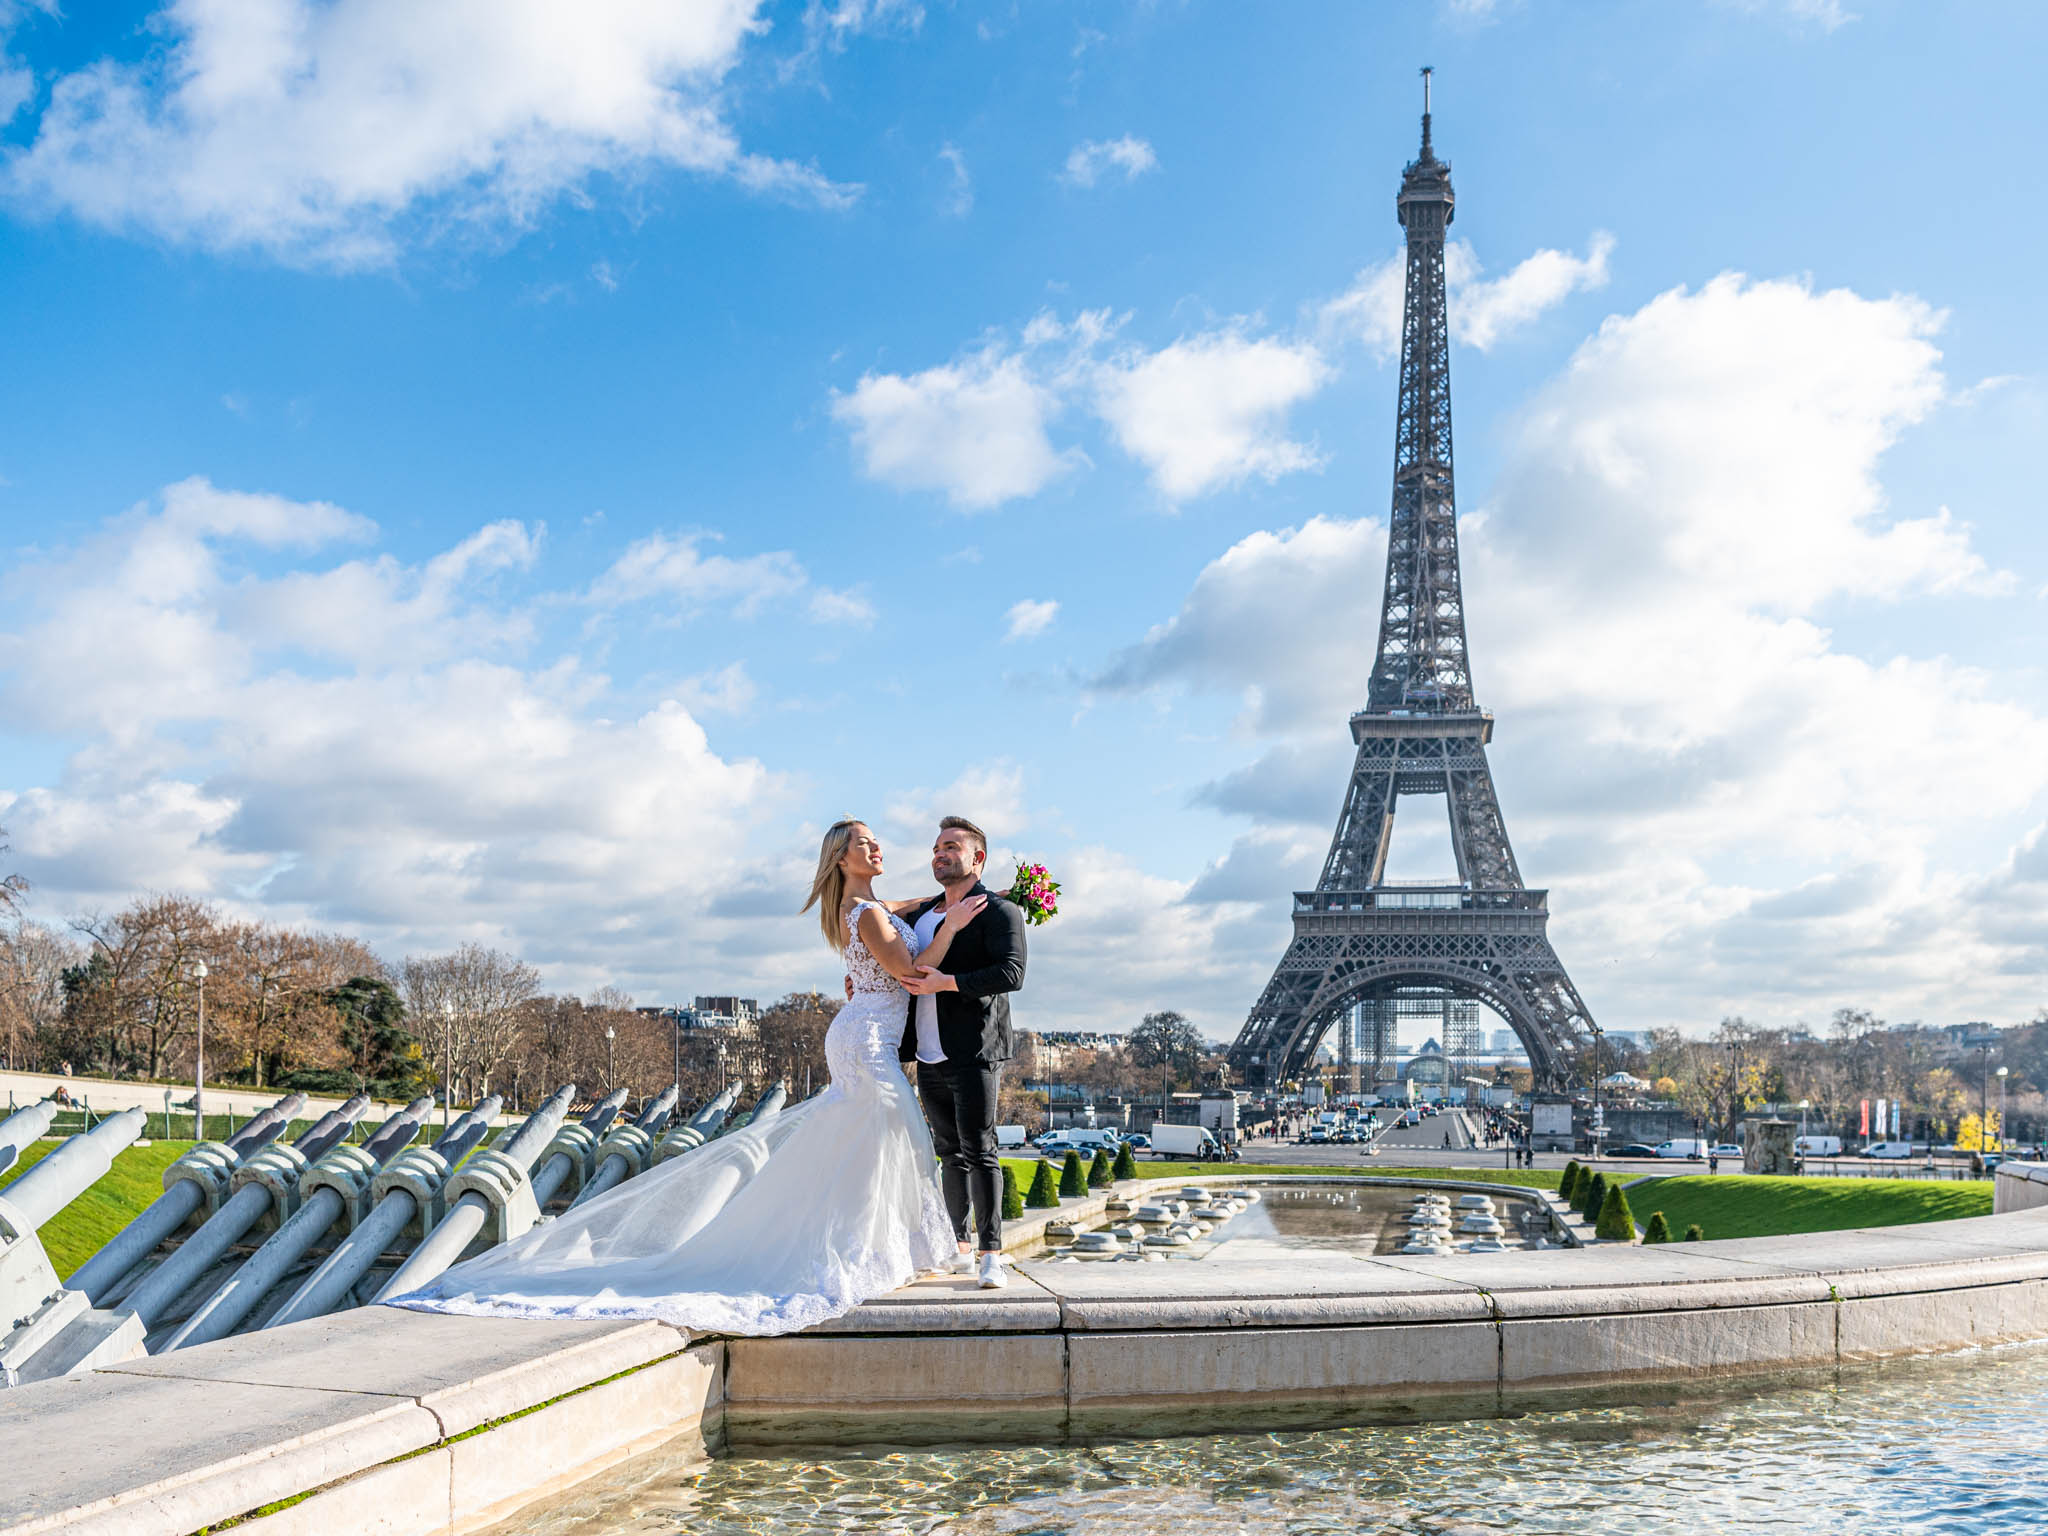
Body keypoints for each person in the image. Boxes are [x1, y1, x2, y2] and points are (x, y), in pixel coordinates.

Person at [384, 818, 978, 1335]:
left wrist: (946, 903)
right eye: (865, 843)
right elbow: (909, 971)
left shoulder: (870, 909)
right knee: (888, 1139)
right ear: (842, 859)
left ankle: (873, 1246)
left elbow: (902, 913)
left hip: (861, 1034)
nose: (877, 848)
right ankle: (870, 1250)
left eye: (875, 841)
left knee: (870, 1144)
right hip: (867, 1042)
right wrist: (951, 926)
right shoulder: (869, 914)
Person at [898, 816, 1028, 1290]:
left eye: (952, 846)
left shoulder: (999, 912)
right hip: (928, 1054)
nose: (940, 853)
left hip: (974, 1051)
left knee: (981, 1151)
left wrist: (947, 983)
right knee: (949, 1154)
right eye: (936, 847)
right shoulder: (922, 916)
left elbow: (1012, 973)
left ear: (979, 858)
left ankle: (993, 1253)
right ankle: (961, 1247)